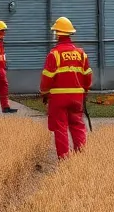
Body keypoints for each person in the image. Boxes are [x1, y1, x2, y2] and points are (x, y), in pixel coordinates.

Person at [39, 17, 92, 159]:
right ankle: (81, 157)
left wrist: (44, 92)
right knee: (77, 125)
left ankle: (64, 159)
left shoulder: (54, 54)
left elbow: (47, 77)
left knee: (60, 128)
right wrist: (85, 89)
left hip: (58, 98)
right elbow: (88, 75)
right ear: (70, 34)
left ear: (57, 34)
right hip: (77, 97)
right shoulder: (81, 53)